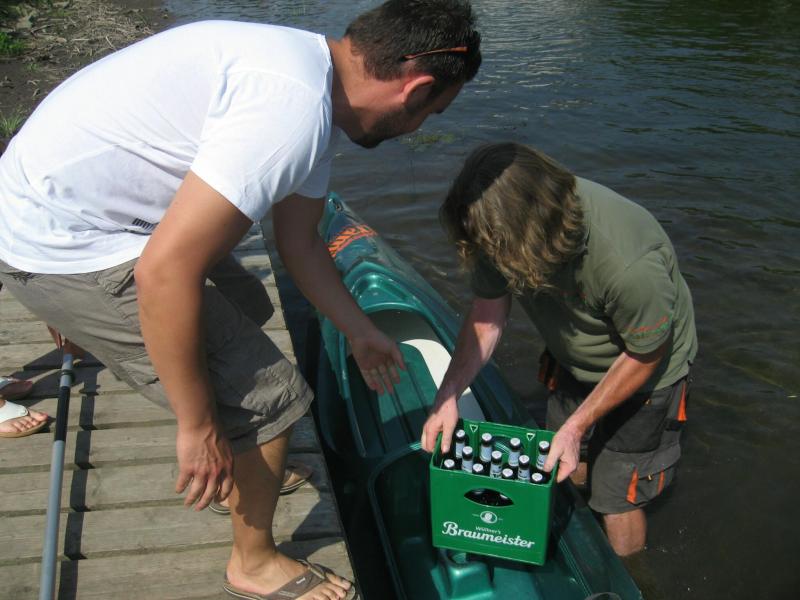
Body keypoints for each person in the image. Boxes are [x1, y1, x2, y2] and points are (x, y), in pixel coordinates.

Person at [0, 1, 481, 597]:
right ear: (417, 88)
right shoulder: (291, 115)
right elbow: (165, 273)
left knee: (248, 305)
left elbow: (300, 242)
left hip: (67, 207)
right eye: (433, 112)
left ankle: (240, 449)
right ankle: (252, 562)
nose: (421, 127)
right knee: (271, 398)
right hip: (59, 244)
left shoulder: (311, 79)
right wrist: (198, 423)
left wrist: (359, 330)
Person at [421, 142, 696, 557]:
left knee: (617, 494)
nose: (490, 258)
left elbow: (647, 354)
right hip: (571, 352)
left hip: (646, 372)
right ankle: (577, 533)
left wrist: (576, 425)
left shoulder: (629, 265)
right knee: (564, 460)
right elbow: (488, 315)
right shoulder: (492, 226)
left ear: (530, 235)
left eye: (498, 251)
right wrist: (448, 395)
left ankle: (625, 574)